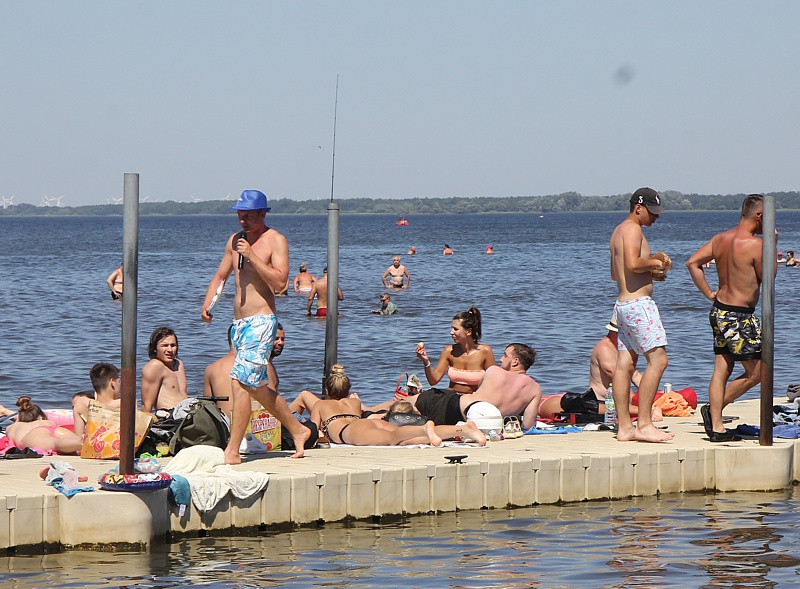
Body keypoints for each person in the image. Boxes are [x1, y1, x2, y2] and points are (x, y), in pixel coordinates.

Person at [201, 189, 309, 462]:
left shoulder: (276, 240)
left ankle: (232, 451)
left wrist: (251, 255)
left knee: (239, 382)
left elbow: (281, 283)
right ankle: (298, 430)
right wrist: (208, 303)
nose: (243, 221)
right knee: (256, 388)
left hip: (261, 321)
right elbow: (221, 276)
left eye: (248, 216)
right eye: (240, 216)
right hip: (238, 324)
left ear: (262, 214)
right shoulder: (234, 240)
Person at [687, 194, 771, 442]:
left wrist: (709, 293)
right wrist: (772, 243)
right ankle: (714, 412)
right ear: (759, 216)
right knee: (758, 373)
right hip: (739, 316)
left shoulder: (720, 239)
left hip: (719, 310)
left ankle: (717, 427)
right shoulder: (755, 245)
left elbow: (693, 263)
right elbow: (769, 277)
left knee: (722, 368)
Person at [609, 187, 673, 443]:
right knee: (659, 361)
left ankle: (625, 427)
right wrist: (656, 263)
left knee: (624, 365)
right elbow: (633, 263)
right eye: (652, 212)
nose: (656, 217)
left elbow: (616, 273)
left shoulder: (618, 231)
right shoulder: (633, 229)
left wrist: (649, 274)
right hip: (639, 306)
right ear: (638, 208)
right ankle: (644, 424)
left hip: (623, 305)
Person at [310, 364, 486, 446]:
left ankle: (425, 429)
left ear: (327, 389)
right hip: (367, 423)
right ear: (348, 389)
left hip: (348, 431)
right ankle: (463, 430)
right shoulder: (354, 402)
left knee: (392, 439)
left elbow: (313, 431)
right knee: (403, 439)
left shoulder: (320, 404)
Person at [378, 344, 541, 430]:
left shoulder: (494, 371)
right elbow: (528, 425)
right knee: (413, 411)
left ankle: (371, 411)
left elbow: (479, 391)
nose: (500, 359)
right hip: (478, 422)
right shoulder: (535, 388)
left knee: (409, 402)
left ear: (515, 361)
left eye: (505, 356)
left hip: (454, 407)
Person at [537, 316, 660, 421]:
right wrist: (645, 407)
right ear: (617, 333)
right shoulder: (605, 349)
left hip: (602, 403)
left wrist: (654, 394)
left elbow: (635, 375)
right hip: (596, 402)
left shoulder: (622, 350)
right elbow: (620, 380)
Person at [416, 307, 495, 394]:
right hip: (452, 397)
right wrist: (426, 362)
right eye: (452, 328)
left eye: (455, 329)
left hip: (475, 398)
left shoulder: (485, 352)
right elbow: (433, 381)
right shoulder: (449, 351)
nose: (451, 332)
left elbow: (494, 382)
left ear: (468, 332)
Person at [5, 396, 82, 454]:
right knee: (72, 438)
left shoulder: (12, 427)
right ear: (41, 418)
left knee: (56, 443)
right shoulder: (47, 422)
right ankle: (82, 441)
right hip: (51, 428)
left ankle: (81, 443)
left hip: (31, 436)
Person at [141, 327, 188, 414]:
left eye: (173, 345)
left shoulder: (179, 364)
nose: (170, 350)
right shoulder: (155, 366)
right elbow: (146, 405)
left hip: (186, 415)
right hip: (169, 418)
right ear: (155, 348)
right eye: (165, 345)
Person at [73, 362, 122, 438]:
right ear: (112, 382)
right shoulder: (124, 404)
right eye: (119, 381)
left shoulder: (81, 403)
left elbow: (78, 438)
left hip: (91, 443)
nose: (120, 386)